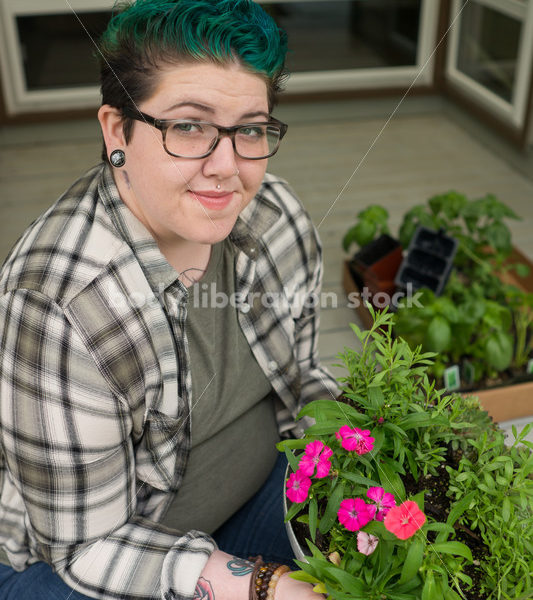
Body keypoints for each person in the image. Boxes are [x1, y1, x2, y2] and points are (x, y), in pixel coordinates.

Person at [0, 1, 339, 598]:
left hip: (253, 498)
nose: (228, 168)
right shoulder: (56, 305)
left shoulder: (277, 216)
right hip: (77, 562)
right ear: (116, 131)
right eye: (189, 126)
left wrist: (368, 454)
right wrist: (265, 587)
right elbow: (87, 546)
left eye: (250, 129)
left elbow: (302, 377)